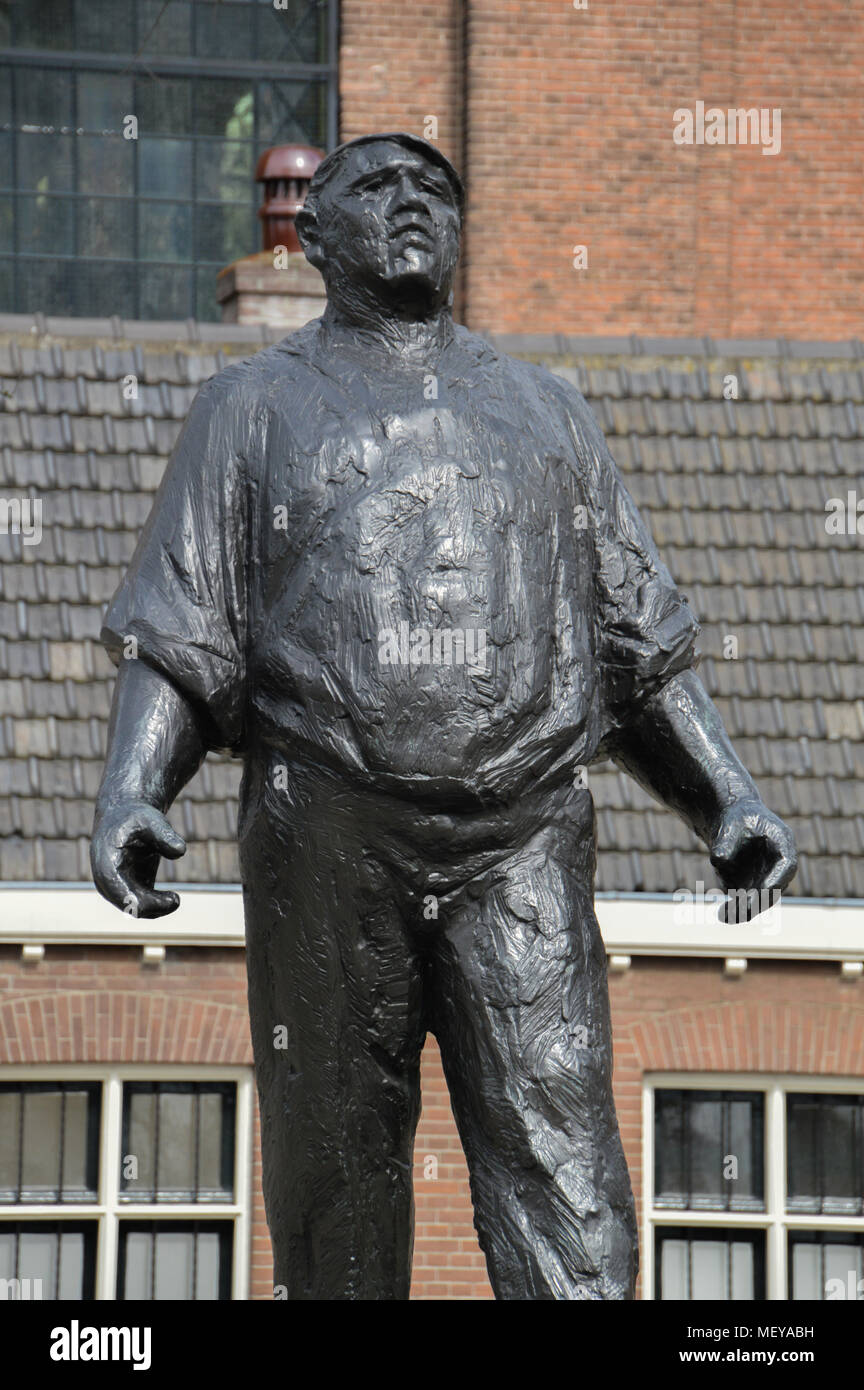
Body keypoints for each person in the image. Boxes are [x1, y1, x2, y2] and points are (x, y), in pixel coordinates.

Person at [91, 133, 797, 1300]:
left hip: (519, 841)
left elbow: (636, 633)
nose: (411, 204)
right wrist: (133, 787)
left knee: (568, 1182)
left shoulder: (549, 415)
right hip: (326, 837)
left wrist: (726, 792)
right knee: (335, 1187)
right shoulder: (249, 410)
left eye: (434, 189)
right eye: (377, 186)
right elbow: (181, 626)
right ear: (313, 237)